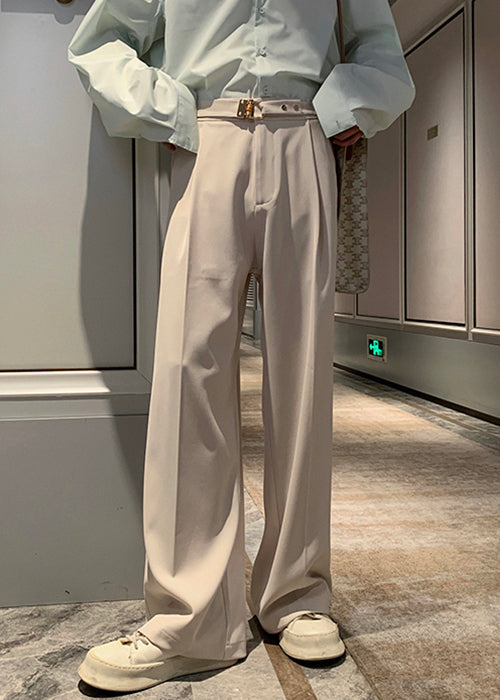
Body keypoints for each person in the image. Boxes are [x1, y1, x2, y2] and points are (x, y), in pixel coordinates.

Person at [68, 0, 415, 692]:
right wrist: (169, 110)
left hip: (302, 135)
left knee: (302, 376)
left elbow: (381, 53)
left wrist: (343, 105)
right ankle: (189, 618)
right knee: (187, 372)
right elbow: (100, 43)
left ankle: (297, 593)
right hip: (207, 137)